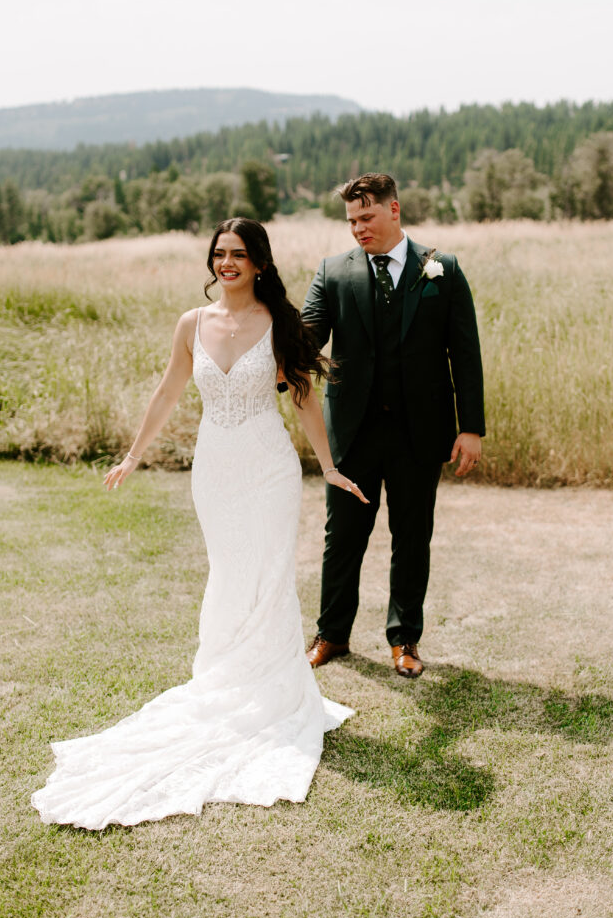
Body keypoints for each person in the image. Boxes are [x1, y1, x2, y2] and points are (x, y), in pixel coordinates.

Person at [31, 217, 367, 830]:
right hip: (214, 469)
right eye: (219, 254)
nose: (228, 264)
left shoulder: (282, 323)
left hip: (268, 468)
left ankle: (275, 692)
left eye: (239, 254)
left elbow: (304, 399)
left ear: (260, 262)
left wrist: (328, 466)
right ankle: (227, 680)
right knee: (230, 571)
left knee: (267, 574)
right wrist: (133, 455)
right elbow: (166, 392)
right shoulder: (193, 322)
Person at [302, 173, 485, 679]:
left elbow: (464, 353)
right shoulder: (333, 272)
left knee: (411, 536)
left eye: (367, 217)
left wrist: (470, 427)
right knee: (343, 538)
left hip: (419, 432)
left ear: (394, 209)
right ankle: (332, 635)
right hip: (353, 433)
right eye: (351, 221)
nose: (358, 228)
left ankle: (405, 640)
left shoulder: (440, 268)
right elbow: (307, 338)